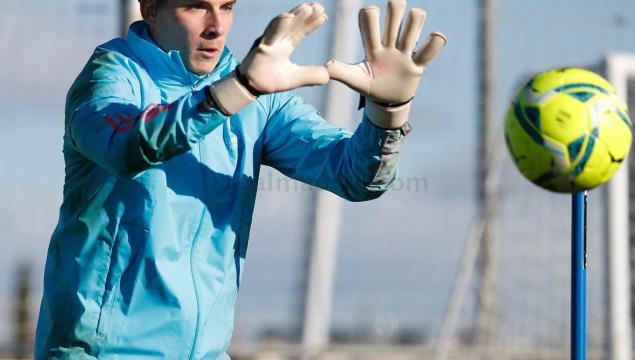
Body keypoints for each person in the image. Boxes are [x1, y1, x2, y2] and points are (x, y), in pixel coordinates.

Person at [34, 0, 446, 358]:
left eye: (227, 6)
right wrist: (236, 90)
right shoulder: (111, 75)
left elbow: (355, 177)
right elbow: (125, 146)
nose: (216, 26)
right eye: (196, 6)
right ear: (150, 7)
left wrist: (388, 113)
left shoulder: (255, 92)